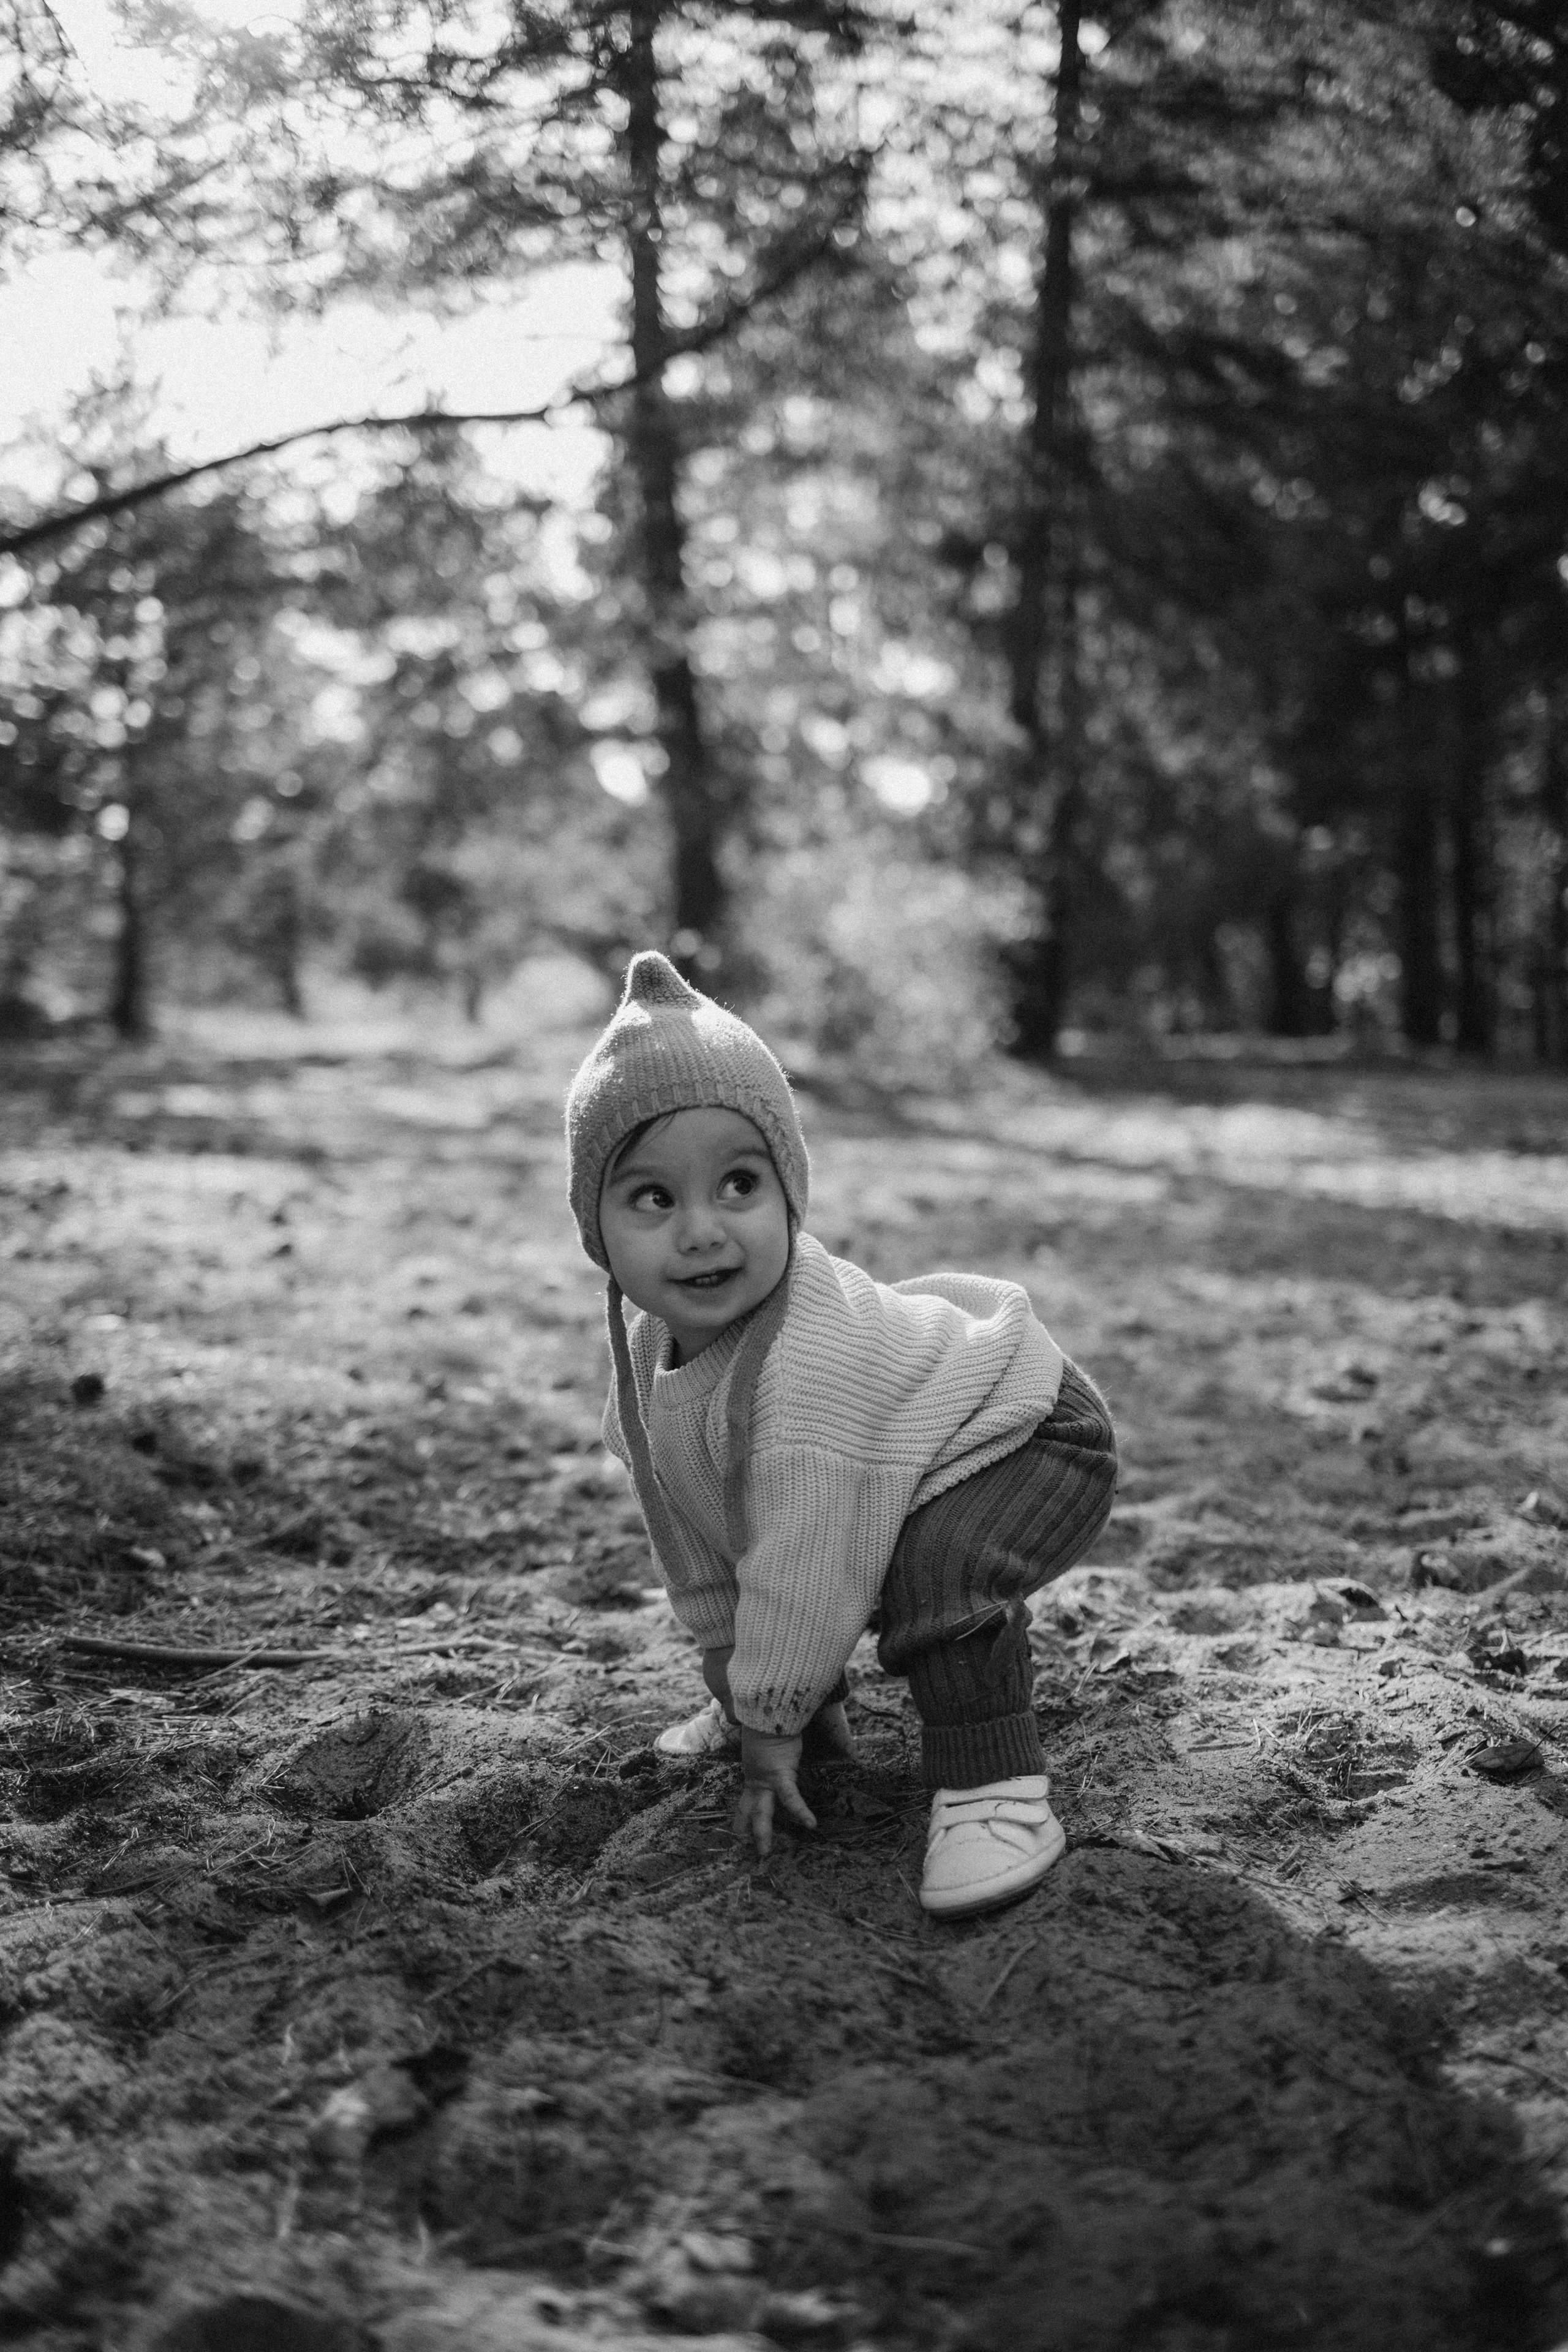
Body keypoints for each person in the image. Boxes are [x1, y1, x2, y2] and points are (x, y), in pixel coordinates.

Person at [565, 951, 1118, 1920]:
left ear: (789, 1195)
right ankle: (809, 1712)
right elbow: (705, 1545)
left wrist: (771, 1723)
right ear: (596, 1229)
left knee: (933, 1574)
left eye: (739, 1184)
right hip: (904, 1457)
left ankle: (996, 1790)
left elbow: (810, 1562)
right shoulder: (644, 1362)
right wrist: (754, 1700)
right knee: (821, 1562)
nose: (700, 1231)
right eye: (653, 1198)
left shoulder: (801, 1367)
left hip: (1029, 1429)